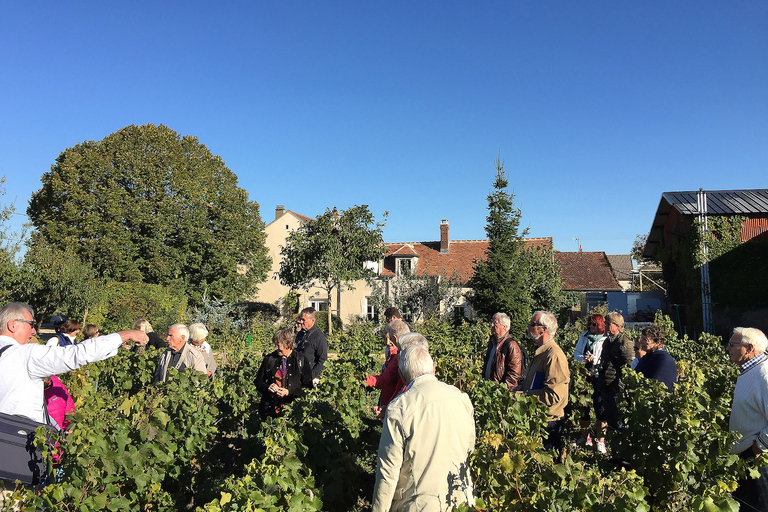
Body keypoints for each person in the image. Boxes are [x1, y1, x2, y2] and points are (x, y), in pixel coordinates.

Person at [0, 302, 148, 423]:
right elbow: (76, 354)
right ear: (13, 325)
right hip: (17, 443)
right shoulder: (25, 355)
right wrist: (124, 335)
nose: (33, 331)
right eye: (31, 324)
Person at [372, 343, 475, 511]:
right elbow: (469, 448)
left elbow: (388, 472)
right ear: (434, 368)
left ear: (401, 375)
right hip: (459, 498)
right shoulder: (460, 398)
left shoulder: (399, 408)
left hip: (419, 504)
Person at [515, 310, 570, 451]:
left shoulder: (553, 355)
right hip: (538, 418)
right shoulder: (541, 352)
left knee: (547, 464)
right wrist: (518, 389)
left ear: (544, 329)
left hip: (549, 422)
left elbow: (555, 395)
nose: (528, 326)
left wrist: (525, 396)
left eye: (533, 324)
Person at [727, 327, 768, 511]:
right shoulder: (749, 371)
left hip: (758, 462)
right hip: (746, 457)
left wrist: (756, 448)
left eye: (732, 344)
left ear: (749, 348)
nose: (728, 348)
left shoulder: (764, 375)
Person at [593, 311, 634, 455]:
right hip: (605, 385)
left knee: (619, 423)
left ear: (617, 326)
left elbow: (630, 367)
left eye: (609, 323)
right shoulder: (607, 341)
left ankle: (622, 454)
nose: (606, 326)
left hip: (617, 389)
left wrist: (622, 386)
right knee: (610, 422)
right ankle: (615, 453)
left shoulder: (625, 343)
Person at [255, 328, 313, 418]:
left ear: (288, 344)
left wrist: (289, 392)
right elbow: (258, 382)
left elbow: (308, 387)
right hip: (270, 410)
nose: (276, 348)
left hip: (294, 411)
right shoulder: (270, 359)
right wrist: (268, 388)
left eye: (279, 345)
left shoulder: (301, 360)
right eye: (275, 345)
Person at [573, 314, 607, 447]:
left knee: (600, 408)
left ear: (599, 325)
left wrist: (595, 359)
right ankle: (586, 438)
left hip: (598, 377)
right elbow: (576, 353)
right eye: (590, 324)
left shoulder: (605, 339)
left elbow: (605, 357)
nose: (591, 327)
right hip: (584, 377)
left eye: (594, 324)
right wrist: (583, 359)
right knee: (584, 407)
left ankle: (600, 441)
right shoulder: (584, 336)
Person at [364, 319, 410, 418]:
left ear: (396, 338)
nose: (388, 343)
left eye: (391, 339)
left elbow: (383, 379)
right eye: (385, 339)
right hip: (391, 402)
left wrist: (363, 379)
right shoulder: (393, 354)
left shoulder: (399, 358)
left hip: (397, 405)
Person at [482, 312, 523, 390]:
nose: (491, 325)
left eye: (495, 323)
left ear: (504, 326)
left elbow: (514, 374)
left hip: (500, 393)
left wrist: (502, 390)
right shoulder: (492, 342)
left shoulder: (511, 345)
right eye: (492, 322)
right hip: (489, 389)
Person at [634, 325, 677, 391]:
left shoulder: (662, 359)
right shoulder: (650, 355)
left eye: (645, 339)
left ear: (657, 342)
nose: (641, 342)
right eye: (641, 338)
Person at [295, 307, 328, 384]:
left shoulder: (319, 337)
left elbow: (322, 360)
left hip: (311, 378)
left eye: (304, 320)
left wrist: (311, 376)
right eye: (300, 319)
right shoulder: (300, 334)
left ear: (313, 320)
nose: (301, 322)